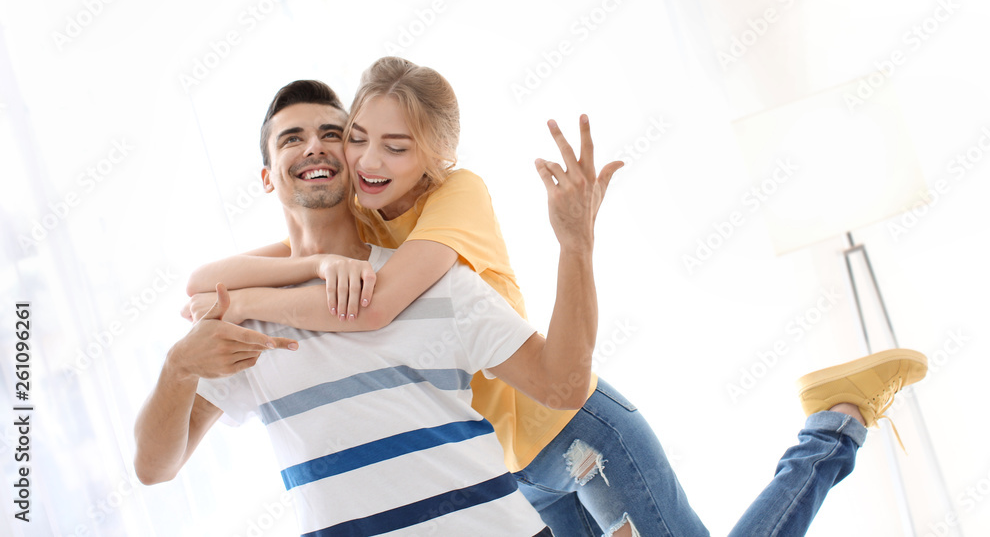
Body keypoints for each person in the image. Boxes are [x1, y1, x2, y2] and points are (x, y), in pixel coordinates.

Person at [181, 67, 929, 536]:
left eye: (398, 146)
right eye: (360, 138)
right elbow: (236, 269)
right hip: (512, 466)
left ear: (435, 158)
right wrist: (228, 295)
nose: (371, 159)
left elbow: (372, 308)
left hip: (574, 424)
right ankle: (832, 422)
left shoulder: (456, 199)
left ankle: (833, 425)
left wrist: (238, 299)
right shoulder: (367, 214)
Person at [135, 80, 618, 536]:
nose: (313, 147)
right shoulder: (242, 320)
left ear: (355, 162)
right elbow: (154, 467)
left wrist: (577, 246)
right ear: (267, 178)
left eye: (331, 135)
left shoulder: (434, 281)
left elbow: (562, 385)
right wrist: (177, 367)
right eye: (291, 139)